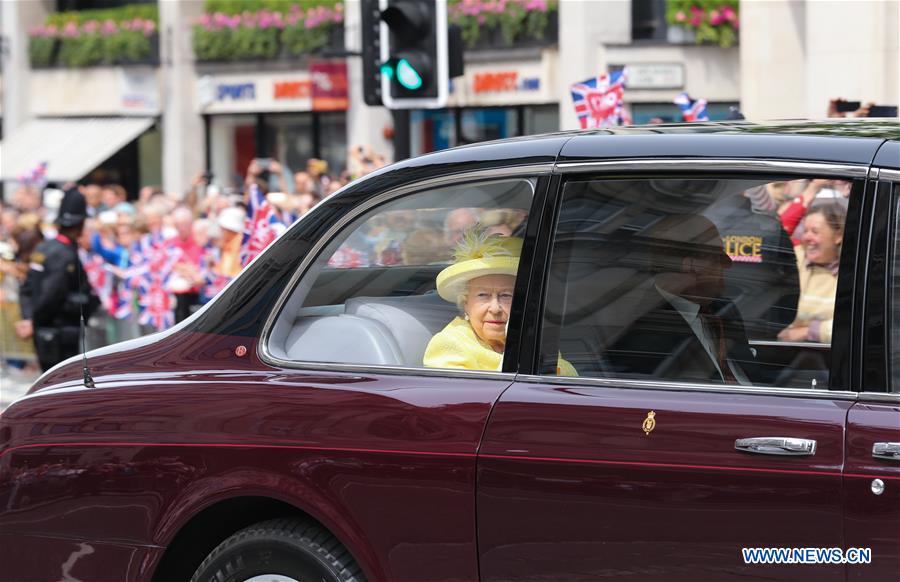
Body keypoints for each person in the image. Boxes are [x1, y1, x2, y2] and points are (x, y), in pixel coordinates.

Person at [605, 214, 758, 384]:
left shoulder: (723, 309)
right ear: (692, 265)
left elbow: (756, 375)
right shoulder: (645, 335)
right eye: (718, 257)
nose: (727, 264)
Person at [423, 229, 576, 374]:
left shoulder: (535, 339)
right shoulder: (449, 345)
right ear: (465, 303)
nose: (495, 308)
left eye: (506, 295)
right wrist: (514, 354)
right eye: (483, 295)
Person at [16, 188, 97, 371]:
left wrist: (29, 317)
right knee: (65, 385)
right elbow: (51, 293)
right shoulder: (65, 254)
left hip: (45, 328)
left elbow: (26, 288)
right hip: (60, 329)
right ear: (81, 225)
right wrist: (33, 320)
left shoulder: (43, 248)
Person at [777, 205, 845, 343]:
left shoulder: (853, 270)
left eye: (815, 231)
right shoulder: (793, 258)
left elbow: (851, 325)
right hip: (781, 351)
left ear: (838, 236)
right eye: (805, 230)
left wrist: (809, 332)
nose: (806, 237)